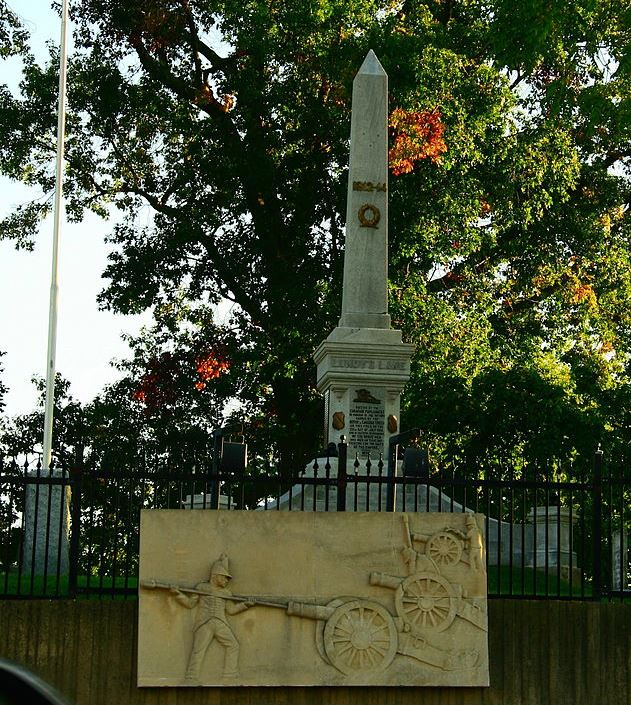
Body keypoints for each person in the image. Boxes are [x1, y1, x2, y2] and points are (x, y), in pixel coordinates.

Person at [171, 553, 252, 682]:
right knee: (198, 650)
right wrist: (178, 594)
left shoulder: (226, 593)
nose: (226, 581)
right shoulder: (202, 587)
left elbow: (231, 610)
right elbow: (190, 603)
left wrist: (245, 605)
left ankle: (229, 675)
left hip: (220, 623)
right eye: (225, 578)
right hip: (204, 623)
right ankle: (191, 677)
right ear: (216, 575)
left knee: (233, 645)